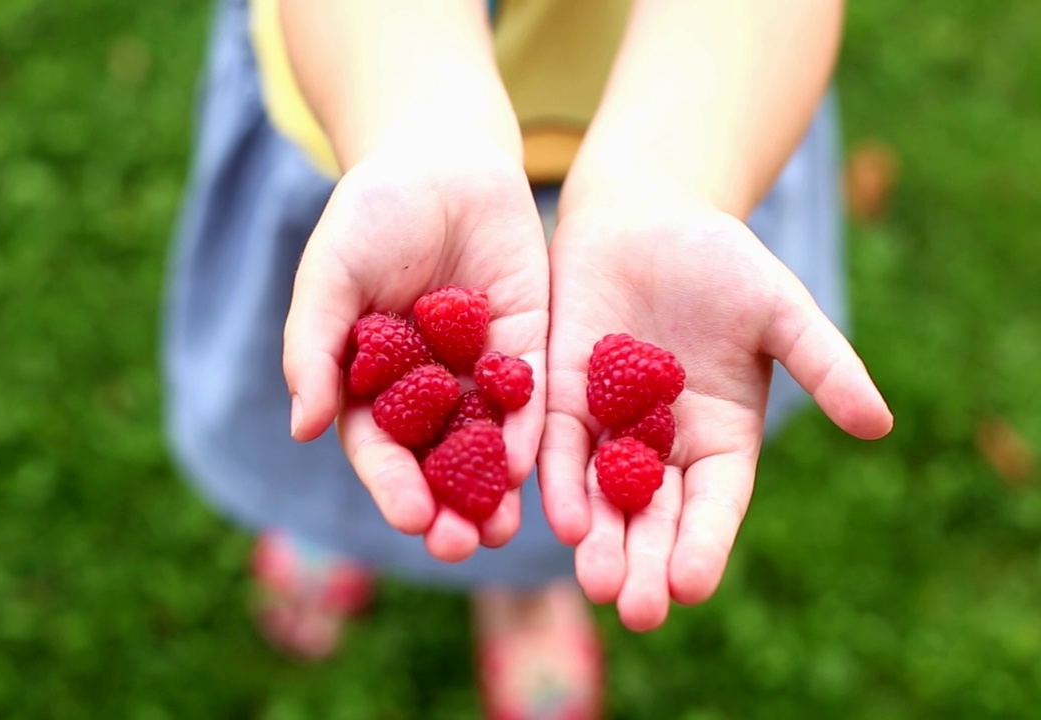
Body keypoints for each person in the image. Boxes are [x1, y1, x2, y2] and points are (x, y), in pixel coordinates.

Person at [160, 0, 894, 716]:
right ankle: (324, 530)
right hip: (360, 110)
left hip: (684, 126)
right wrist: (421, 135)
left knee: (548, 485)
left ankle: (523, 590)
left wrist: (671, 189)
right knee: (324, 378)